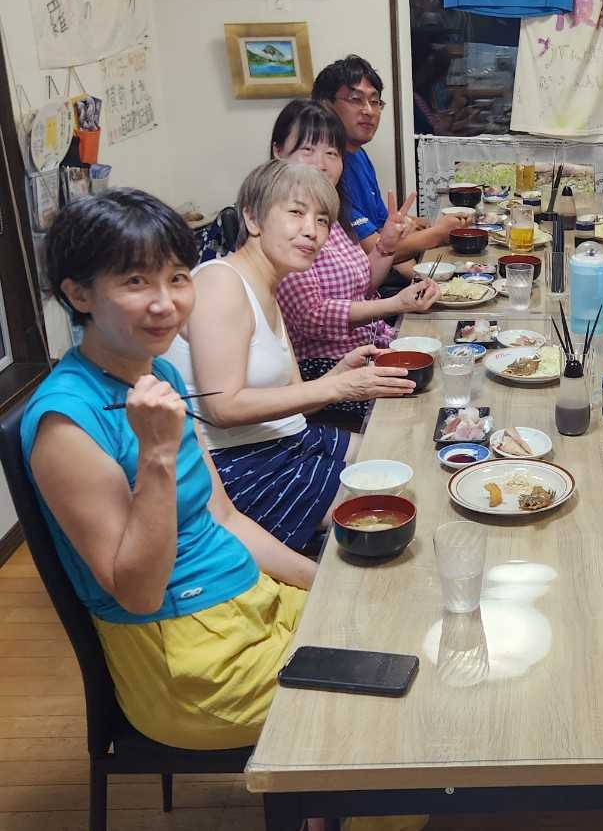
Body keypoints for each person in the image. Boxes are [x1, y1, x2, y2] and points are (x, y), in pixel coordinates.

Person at [20, 189, 316, 752]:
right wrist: (156, 455)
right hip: (189, 661)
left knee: (388, 621)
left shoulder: (158, 375)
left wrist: (320, 582)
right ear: (79, 294)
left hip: (248, 603)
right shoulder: (66, 422)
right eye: (136, 282)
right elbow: (137, 593)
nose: (165, 303)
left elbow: (224, 518)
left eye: (177, 277)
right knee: (399, 692)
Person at [165, 161, 416, 551]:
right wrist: (338, 389)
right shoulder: (221, 283)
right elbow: (222, 408)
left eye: (322, 220)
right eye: (296, 213)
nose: (312, 231)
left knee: (403, 456)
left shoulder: (268, 285)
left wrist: (337, 374)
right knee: (391, 507)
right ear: (253, 218)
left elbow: (295, 401)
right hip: (237, 466)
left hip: (285, 439)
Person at [270, 99, 442, 420]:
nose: (321, 164)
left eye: (331, 153)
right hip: (326, 370)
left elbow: (363, 287)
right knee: (427, 414)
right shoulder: (280, 223)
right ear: (279, 152)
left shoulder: (329, 214)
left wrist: (385, 248)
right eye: (307, 150)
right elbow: (312, 317)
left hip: (370, 347)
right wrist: (394, 304)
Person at [313, 54, 464, 260]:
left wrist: (421, 227)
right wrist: (439, 233)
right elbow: (374, 249)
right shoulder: (325, 172)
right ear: (326, 106)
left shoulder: (359, 155)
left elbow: (383, 226)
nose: (369, 111)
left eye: (375, 102)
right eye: (356, 99)